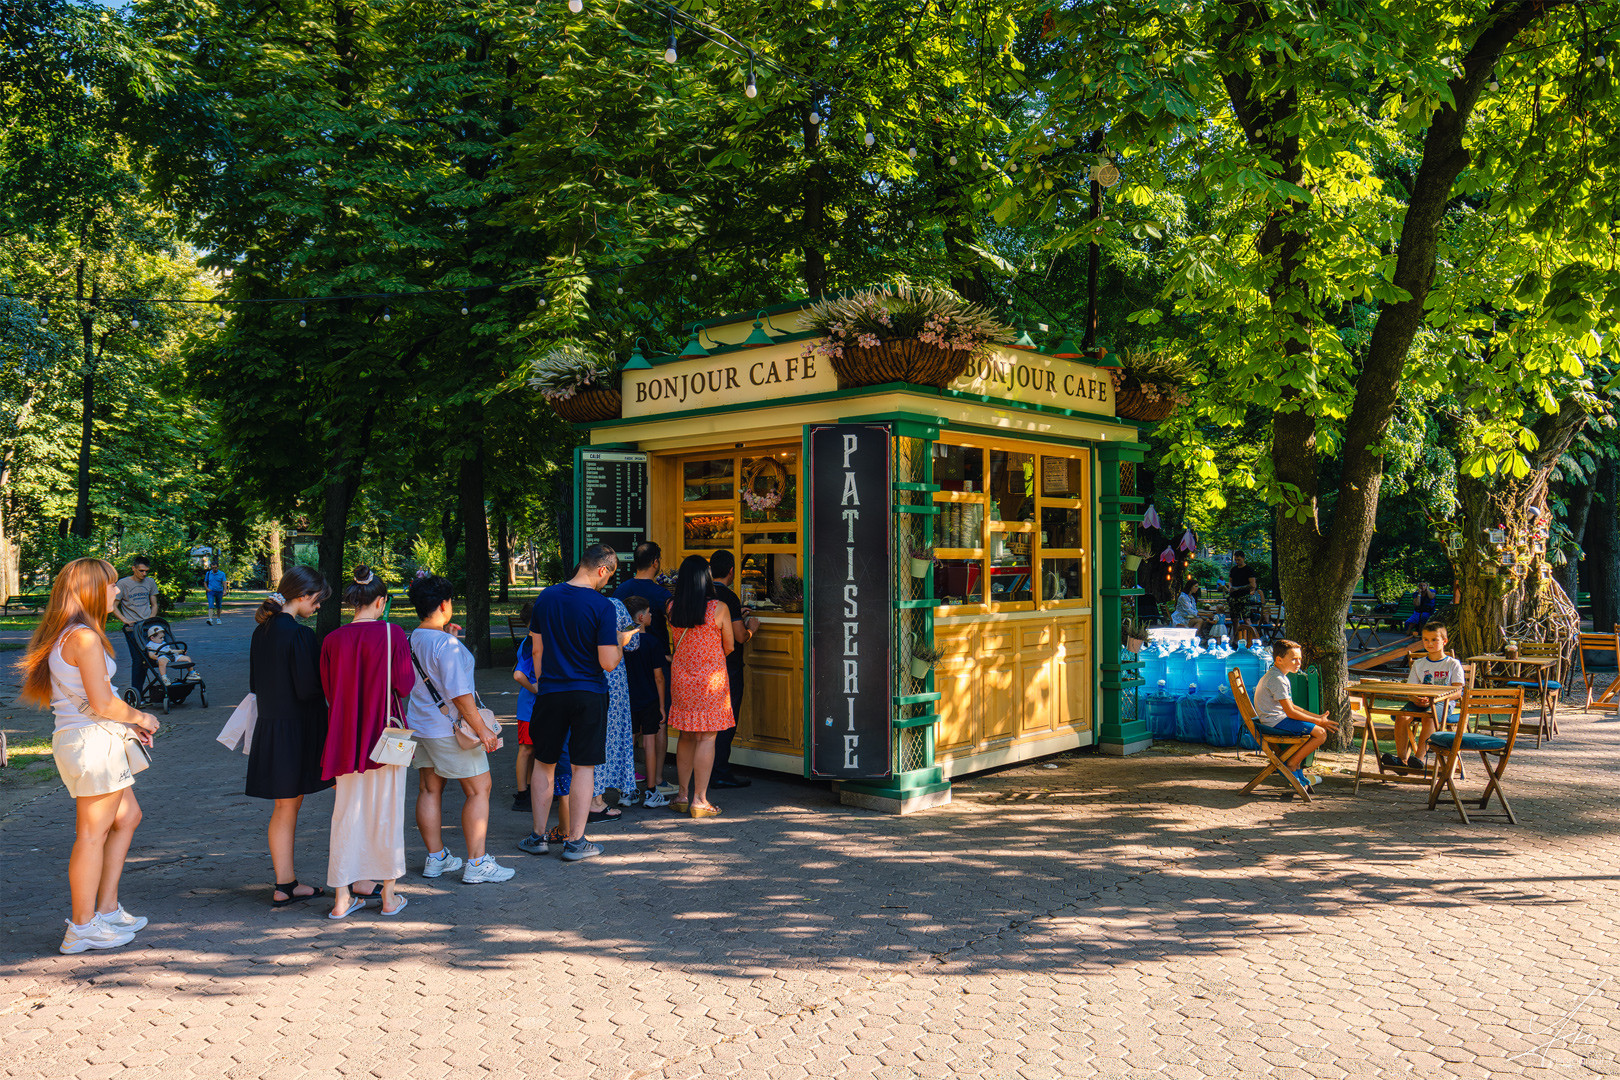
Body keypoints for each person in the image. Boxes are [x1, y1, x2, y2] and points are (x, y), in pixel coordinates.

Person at [22, 558, 160, 954]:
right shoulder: (82, 637)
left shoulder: (73, 633)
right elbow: (101, 701)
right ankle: (81, 927)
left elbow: (97, 698)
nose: (117, 592)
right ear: (90, 590)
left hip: (94, 738)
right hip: (92, 743)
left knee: (128, 816)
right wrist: (142, 716)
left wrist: (127, 723)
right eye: (111, 585)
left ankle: (108, 909)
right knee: (91, 834)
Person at [405, 575, 513, 884]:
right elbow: (460, 695)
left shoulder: (412, 638)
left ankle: (436, 858)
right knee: (480, 789)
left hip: (421, 726)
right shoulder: (445, 644)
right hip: (451, 729)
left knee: (428, 788)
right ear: (443, 604)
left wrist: (448, 637)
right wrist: (483, 730)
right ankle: (477, 862)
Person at [319, 565, 414, 919]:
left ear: (351, 603)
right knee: (388, 815)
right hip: (386, 737)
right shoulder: (393, 634)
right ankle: (389, 896)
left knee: (345, 815)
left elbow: (330, 691)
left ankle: (342, 898)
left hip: (344, 737)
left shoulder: (332, 640)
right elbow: (404, 686)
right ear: (381, 601)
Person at [527, 544, 626, 862]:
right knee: (585, 766)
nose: (605, 584)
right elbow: (608, 662)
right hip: (589, 693)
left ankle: (538, 837)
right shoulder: (603, 606)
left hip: (551, 691)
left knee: (544, 763)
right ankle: (576, 842)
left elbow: (537, 651)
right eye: (607, 577)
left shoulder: (546, 597)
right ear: (602, 570)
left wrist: (544, 684)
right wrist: (621, 643)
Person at [247, 567, 335, 907]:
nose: (317, 607)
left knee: (284, 807)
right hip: (299, 729)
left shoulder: (261, 632)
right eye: (317, 601)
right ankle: (355, 877)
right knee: (325, 797)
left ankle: (285, 884)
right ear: (302, 595)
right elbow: (309, 689)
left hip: (270, 727)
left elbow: (254, 684)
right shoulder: (299, 635)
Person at [666, 554, 736, 818]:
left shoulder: (671, 606)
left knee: (685, 734)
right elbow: (729, 645)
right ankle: (700, 800)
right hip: (711, 681)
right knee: (707, 736)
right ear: (706, 578)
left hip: (681, 678)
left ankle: (682, 796)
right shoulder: (718, 608)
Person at [613, 541, 674, 806]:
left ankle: (628, 779)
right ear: (656, 563)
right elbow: (677, 619)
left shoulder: (621, 589)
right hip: (655, 663)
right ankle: (657, 780)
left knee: (629, 728)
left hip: (624, 663)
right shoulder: (660, 593)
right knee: (658, 722)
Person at [707, 549, 760, 789]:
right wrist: (751, 628)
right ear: (731, 571)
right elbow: (739, 637)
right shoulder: (729, 597)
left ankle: (706, 770)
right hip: (727, 668)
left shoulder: (703, 593)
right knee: (726, 720)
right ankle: (719, 771)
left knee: (706, 722)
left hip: (702, 666)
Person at [1384, 621, 1466, 772]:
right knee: (1401, 717)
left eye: (1434, 639)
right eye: (1426, 639)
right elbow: (1411, 690)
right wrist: (1416, 699)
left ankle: (1418, 758)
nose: (1430, 643)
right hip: (1419, 702)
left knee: (1429, 717)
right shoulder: (1419, 664)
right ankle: (1401, 760)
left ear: (1444, 641)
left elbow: (1457, 692)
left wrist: (1435, 699)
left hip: (1442, 703)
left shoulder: (1452, 664)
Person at [1253, 639, 1330, 796]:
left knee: (1316, 731)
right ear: (1279, 659)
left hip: (1277, 719)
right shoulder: (1277, 679)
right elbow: (1291, 713)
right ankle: (1292, 764)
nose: (1298, 662)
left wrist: (1317, 717)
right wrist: (1318, 722)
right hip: (1275, 722)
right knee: (1320, 733)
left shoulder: (1280, 676)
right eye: (1294, 659)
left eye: (1300, 659)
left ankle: (1295, 767)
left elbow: (1293, 706)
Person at [594, 594, 647, 812]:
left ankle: (588, 792)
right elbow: (633, 643)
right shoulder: (614, 605)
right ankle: (617, 789)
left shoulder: (564, 602)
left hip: (580, 676)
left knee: (590, 736)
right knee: (615, 733)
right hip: (613, 678)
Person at [115, 556, 160, 694]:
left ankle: (151, 690)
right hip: (132, 627)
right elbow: (113, 606)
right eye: (141, 570)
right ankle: (136, 692)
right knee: (138, 659)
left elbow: (154, 604)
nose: (144, 574)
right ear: (133, 568)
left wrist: (151, 619)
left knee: (151, 657)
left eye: (146, 571)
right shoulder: (122, 584)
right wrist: (124, 619)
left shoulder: (150, 582)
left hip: (147, 626)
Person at [511, 601, 536, 812]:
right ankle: (522, 794)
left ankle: (528, 790)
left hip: (532, 706)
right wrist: (536, 689)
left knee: (532, 750)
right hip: (530, 706)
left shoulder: (530, 642)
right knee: (526, 749)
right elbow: (519, 675)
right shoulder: (530, 644)